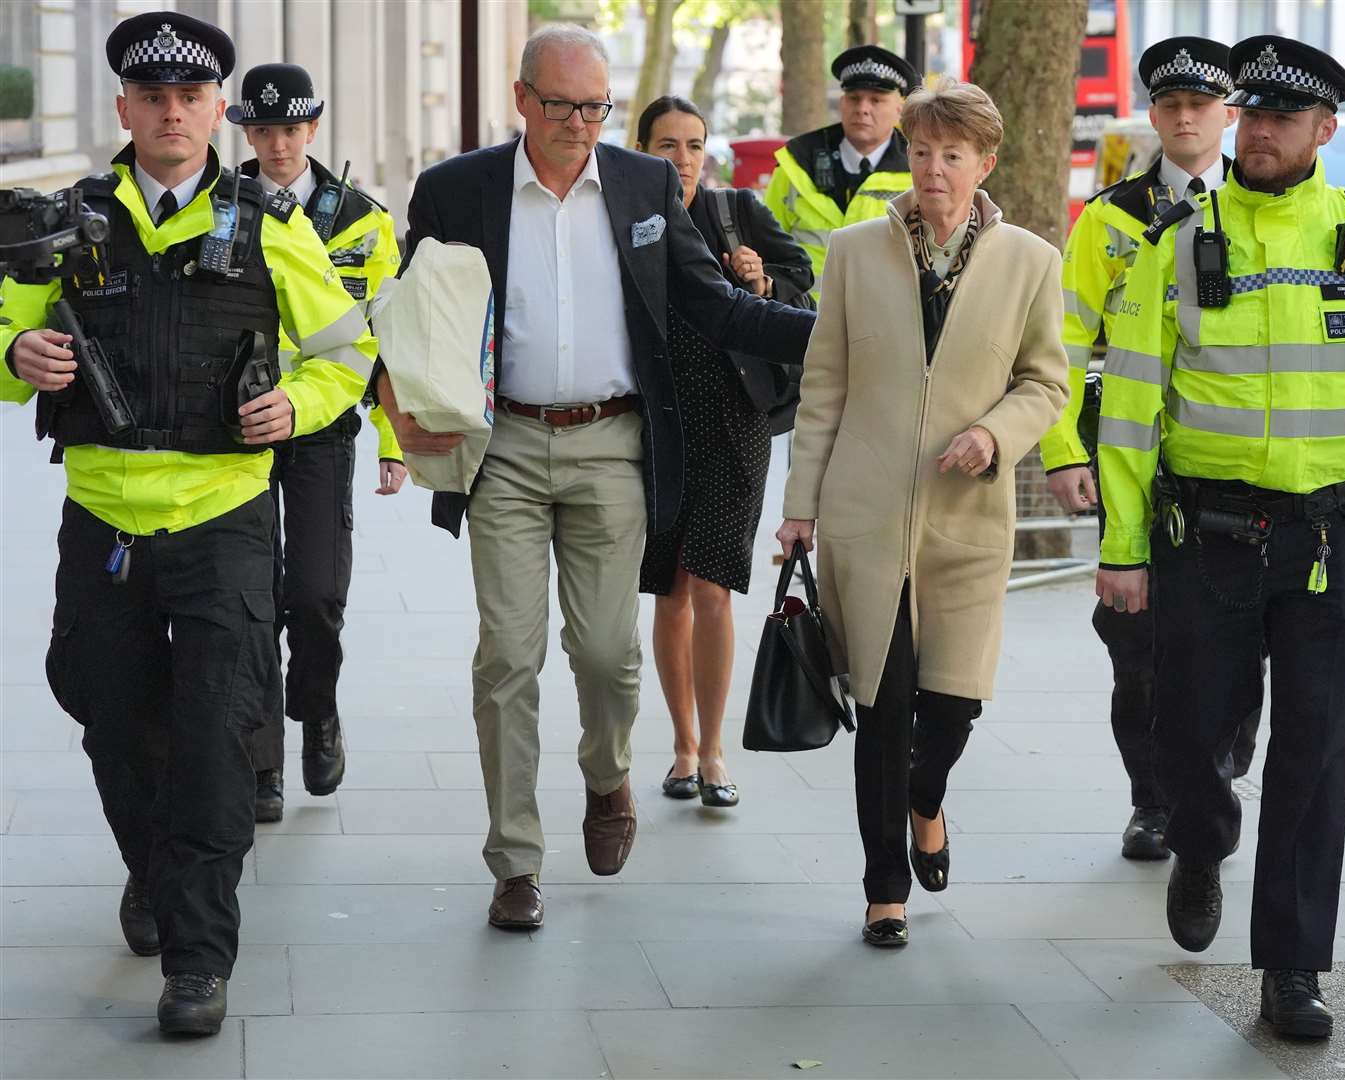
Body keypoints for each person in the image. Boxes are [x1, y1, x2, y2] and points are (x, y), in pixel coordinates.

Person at [375, 25, 816, 932]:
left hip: (612, 443)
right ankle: (516, 860)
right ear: (522, 97)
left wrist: (829, 331)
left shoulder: (646, 185)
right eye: (562, 104)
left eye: (595, 106)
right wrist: (393, 408)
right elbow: (405, 314)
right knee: (507, 654)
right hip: (500, 446)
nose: (580, 123)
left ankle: (607, 777)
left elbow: (709, 301)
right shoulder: (457, 191)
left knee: (608, 655)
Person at [0, 11, 374, 1034]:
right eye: (152, 97)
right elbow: (1, 340)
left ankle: (198, 958)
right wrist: (16, 360)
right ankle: (155, 866)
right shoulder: (65, 220)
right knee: (113, 721)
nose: (171, 113)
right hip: (105, 522)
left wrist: (301, 403)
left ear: (219, 109)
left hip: (224, 520)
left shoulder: (269, 223)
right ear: (122, 107)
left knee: (214, 739)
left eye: (190, 97)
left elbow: (347, 351)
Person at [1094, 35, 1345, 1039]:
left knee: (1314, 752)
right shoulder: (1175, 241)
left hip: (1329, 543)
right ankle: (1202, 839)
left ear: (1322, 132)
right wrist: (1121, 549)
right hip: (1202, 540)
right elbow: (1128, 408)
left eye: (1278, 121)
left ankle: (1290, 967)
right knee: (1187, 729)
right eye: (1247, 117)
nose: (1254, 134)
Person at [776, 81, 1067, 948]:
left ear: (984, 163)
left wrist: (994, 433)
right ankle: (883, 889)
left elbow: (1046, 382)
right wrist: (799, 507)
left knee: (951, 707)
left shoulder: (1030, 261)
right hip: (864, 514)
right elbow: (822, 389)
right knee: (881, 701)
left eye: (951, 155)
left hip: (965, 521)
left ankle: (926, 797)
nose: (932, 171)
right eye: (921, 152)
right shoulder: (853, 252)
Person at [1038, 37, 1261, 862]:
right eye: (1168, 105)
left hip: (1237, 471)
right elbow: (1056, 343)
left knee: (1239, 647)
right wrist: (1063, 452)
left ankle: (1216, 777)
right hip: (1134, 471)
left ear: (1227, 114)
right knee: (1135, 648)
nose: (1183, 117)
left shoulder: (1261, 207)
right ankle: (1154, 801)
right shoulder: (1111, 219)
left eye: (1199, 105)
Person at [228, 61, 406, 824]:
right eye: (261, 129)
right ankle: (261, 756)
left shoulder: (360, 219)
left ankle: (319, 710)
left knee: (316, 594)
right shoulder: (220, 205)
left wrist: (395, 441)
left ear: (313, 128)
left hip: (324, 425)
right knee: (250, 598)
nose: (275, 143)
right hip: (234, 427)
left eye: (289, 128)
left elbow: (388, 337)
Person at [633, 95, 814, 810]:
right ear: (639, 149)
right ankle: (680, 745)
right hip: (657, 424)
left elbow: (801, 285)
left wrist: (764, 281)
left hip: (736, 417)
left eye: (693, 145)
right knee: (671, 589)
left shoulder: (735, 211)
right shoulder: (625, 222)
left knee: (711, 585)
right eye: (666, 145)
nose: (681, 159)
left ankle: (713, 752)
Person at [763, 44, 917, 297]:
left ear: (899, 109)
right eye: (854, 98)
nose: (863, 108)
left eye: (876, 100)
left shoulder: (917, 169)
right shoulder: (797, 162)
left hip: (884, 323)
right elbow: (764, 242)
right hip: (801, 322)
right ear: (842, 103)